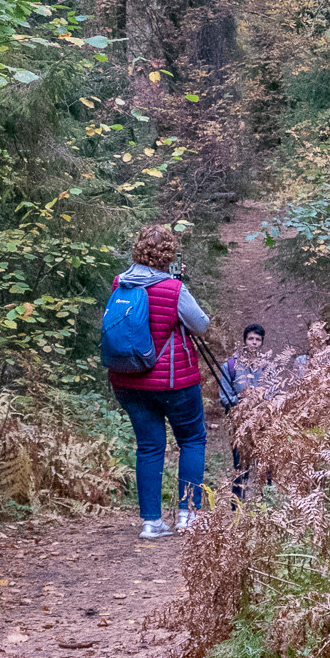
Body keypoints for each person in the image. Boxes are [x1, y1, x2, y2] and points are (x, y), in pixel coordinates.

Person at [106, 224, 211, 539]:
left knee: (149, 447)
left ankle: (151, 522)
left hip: (127, 380)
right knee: (192, 440)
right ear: (169, 255)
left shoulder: (120, 283)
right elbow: (201, 325)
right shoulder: (174, 289)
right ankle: (187, 515)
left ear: (138, 249)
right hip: (172, 381)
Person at [222, 323, 271, 499]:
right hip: (239, 423)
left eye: (258, 339)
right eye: (251, 338)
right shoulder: (230, 366)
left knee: (266, 465)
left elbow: (272, 393)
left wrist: (260, 403)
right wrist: (244, 403)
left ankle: (267, 505)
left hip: (263, 422)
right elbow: (225, 397)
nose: (254, 342)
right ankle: (237, 507)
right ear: (244, 341)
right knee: (240, 465)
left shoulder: (267, 366)